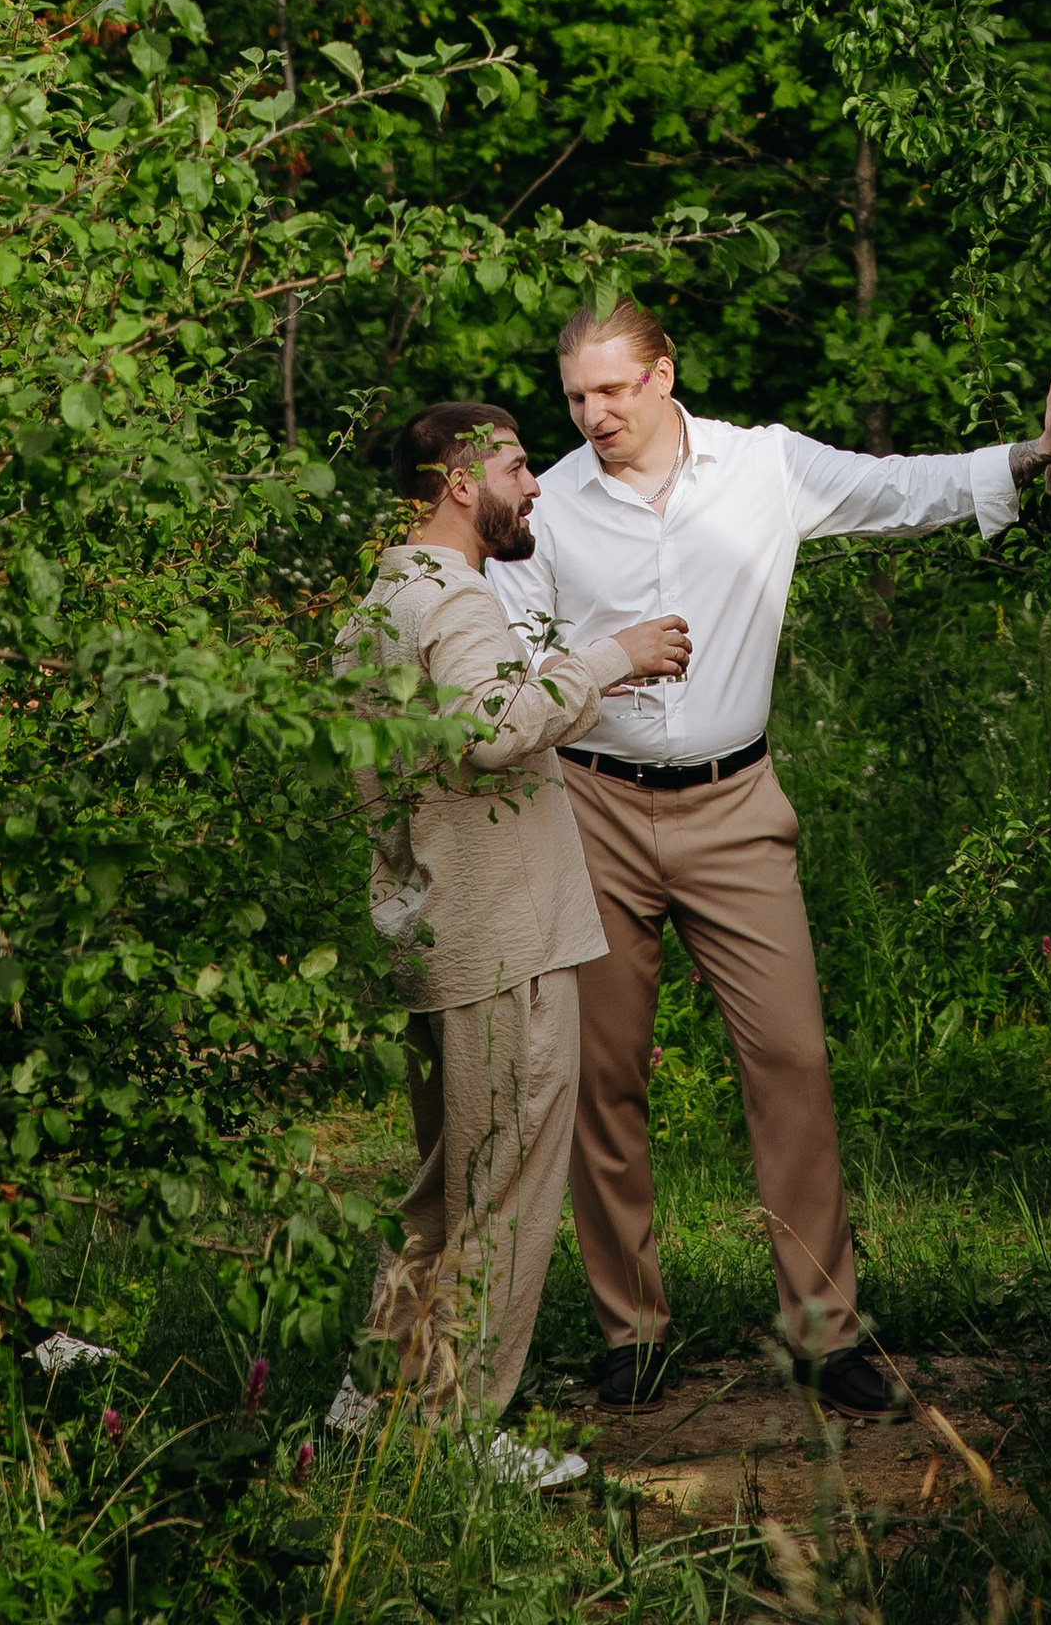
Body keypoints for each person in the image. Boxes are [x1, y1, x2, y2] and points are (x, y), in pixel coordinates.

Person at [488, 297, 1051, 1413]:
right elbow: (515, 669)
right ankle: (631, 1333)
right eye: (575, 397)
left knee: (791, 1059)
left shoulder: (765, 469)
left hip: (736, 804)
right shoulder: (549, 507)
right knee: (604, 1080)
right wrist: (609, 662)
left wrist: (1029, 456)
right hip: (591, 806)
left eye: (611, 390)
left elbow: (906, 491)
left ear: (664, 376)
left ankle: (825, 1330)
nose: (594, 414)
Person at [333, 399, 693, 1480]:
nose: (538, 485)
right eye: (521, 466)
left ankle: (375, 1395)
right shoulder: (455, 599)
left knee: (447, 1190)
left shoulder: (378, 598)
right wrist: (609, 659)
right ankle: (459, 1434)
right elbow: (491, 732)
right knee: (506, 1192)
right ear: (459, 482)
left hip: (432, 929)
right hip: (501, 942)